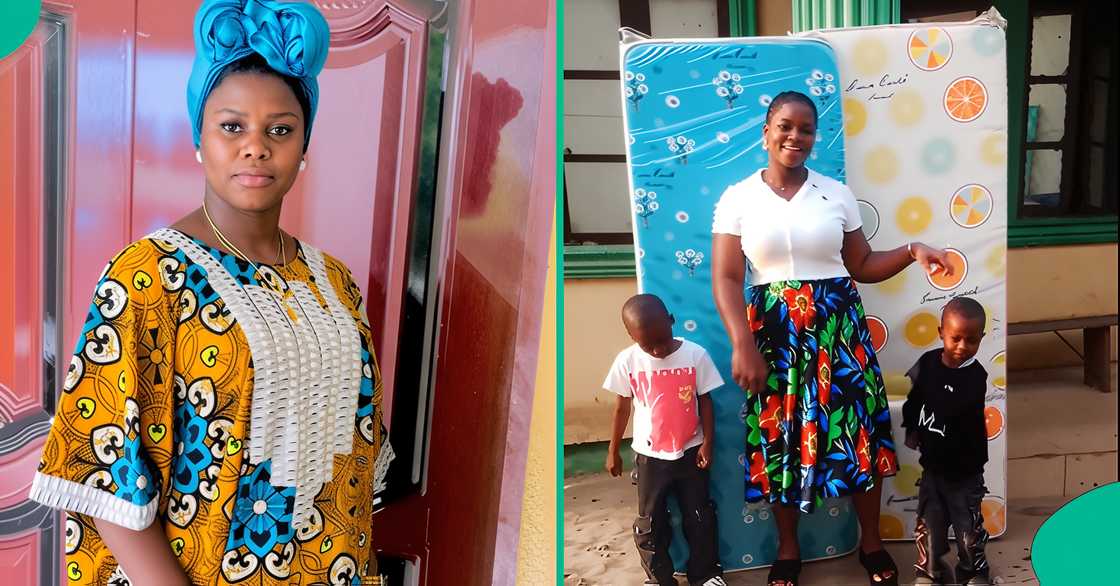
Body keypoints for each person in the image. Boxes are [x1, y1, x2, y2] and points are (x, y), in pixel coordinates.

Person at [28, 1, 393, 584]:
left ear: (304, 145)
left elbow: (355, 463)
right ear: (199, 138)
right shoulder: (148, 276)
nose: (256, 146)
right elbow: (100, 467)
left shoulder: (335, 285)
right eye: (232, 127)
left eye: (280, 129)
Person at [710, 90, 956, 586]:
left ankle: (870, 542)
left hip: (838, 331)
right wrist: (742, 343)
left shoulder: (835, 193)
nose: (795, 137)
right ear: (766, 130)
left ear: (814, 137)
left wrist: (913, 250)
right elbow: (727, 278)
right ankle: (787, 548)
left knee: (858, 432)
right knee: (779, 436)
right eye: (785, 126)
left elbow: (861, 266)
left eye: (805, 129)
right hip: (775, 338)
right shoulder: (737, 198)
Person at [603, 294, 728, 586]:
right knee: (650, 522)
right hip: (649, 457)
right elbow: (621, 407)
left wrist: (708, 442)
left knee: (699, 516)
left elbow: (705, 401)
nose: (658, 350)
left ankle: (706, 574)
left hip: (691, 452)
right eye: (648, 344)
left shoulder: (695, 355)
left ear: (671, 321)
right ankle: (659, 578)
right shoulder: (628, 360)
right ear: (631, 336)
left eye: (662, 339)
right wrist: (613, 450)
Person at [902, 297, 991, 585]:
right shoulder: (926, 364)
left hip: (966, 472)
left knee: (969, 529)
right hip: (933, 471)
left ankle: (972, 571)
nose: (962, 346)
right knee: (929, 525)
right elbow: (914, 399)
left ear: (981, 339)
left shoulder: (976, 376)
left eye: (971, 340)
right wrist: (912, 429)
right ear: (941, 332)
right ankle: (930, 571)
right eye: (955, 338)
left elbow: (957, 407)